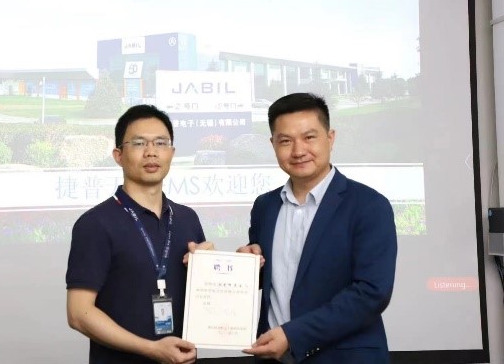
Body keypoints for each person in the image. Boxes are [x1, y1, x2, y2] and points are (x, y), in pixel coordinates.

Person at [237, 93, 397, 363]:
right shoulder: (265, 206)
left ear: (330, 138)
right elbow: (274, 282)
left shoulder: (369, 205)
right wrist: (248, 266)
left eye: (309, 137)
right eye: (285, 141)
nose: (298, 151)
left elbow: (372, 293)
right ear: (273, 144)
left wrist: (293, 335)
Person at [66, 104, 212, 364]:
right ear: (118, 155)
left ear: (172, 153)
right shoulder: (95, 223)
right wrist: (151, 349)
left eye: (160, 143)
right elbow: (79, 313)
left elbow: (205, 301)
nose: (151, 152)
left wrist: (212, 269)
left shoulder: (187, 218)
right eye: (139, 143)